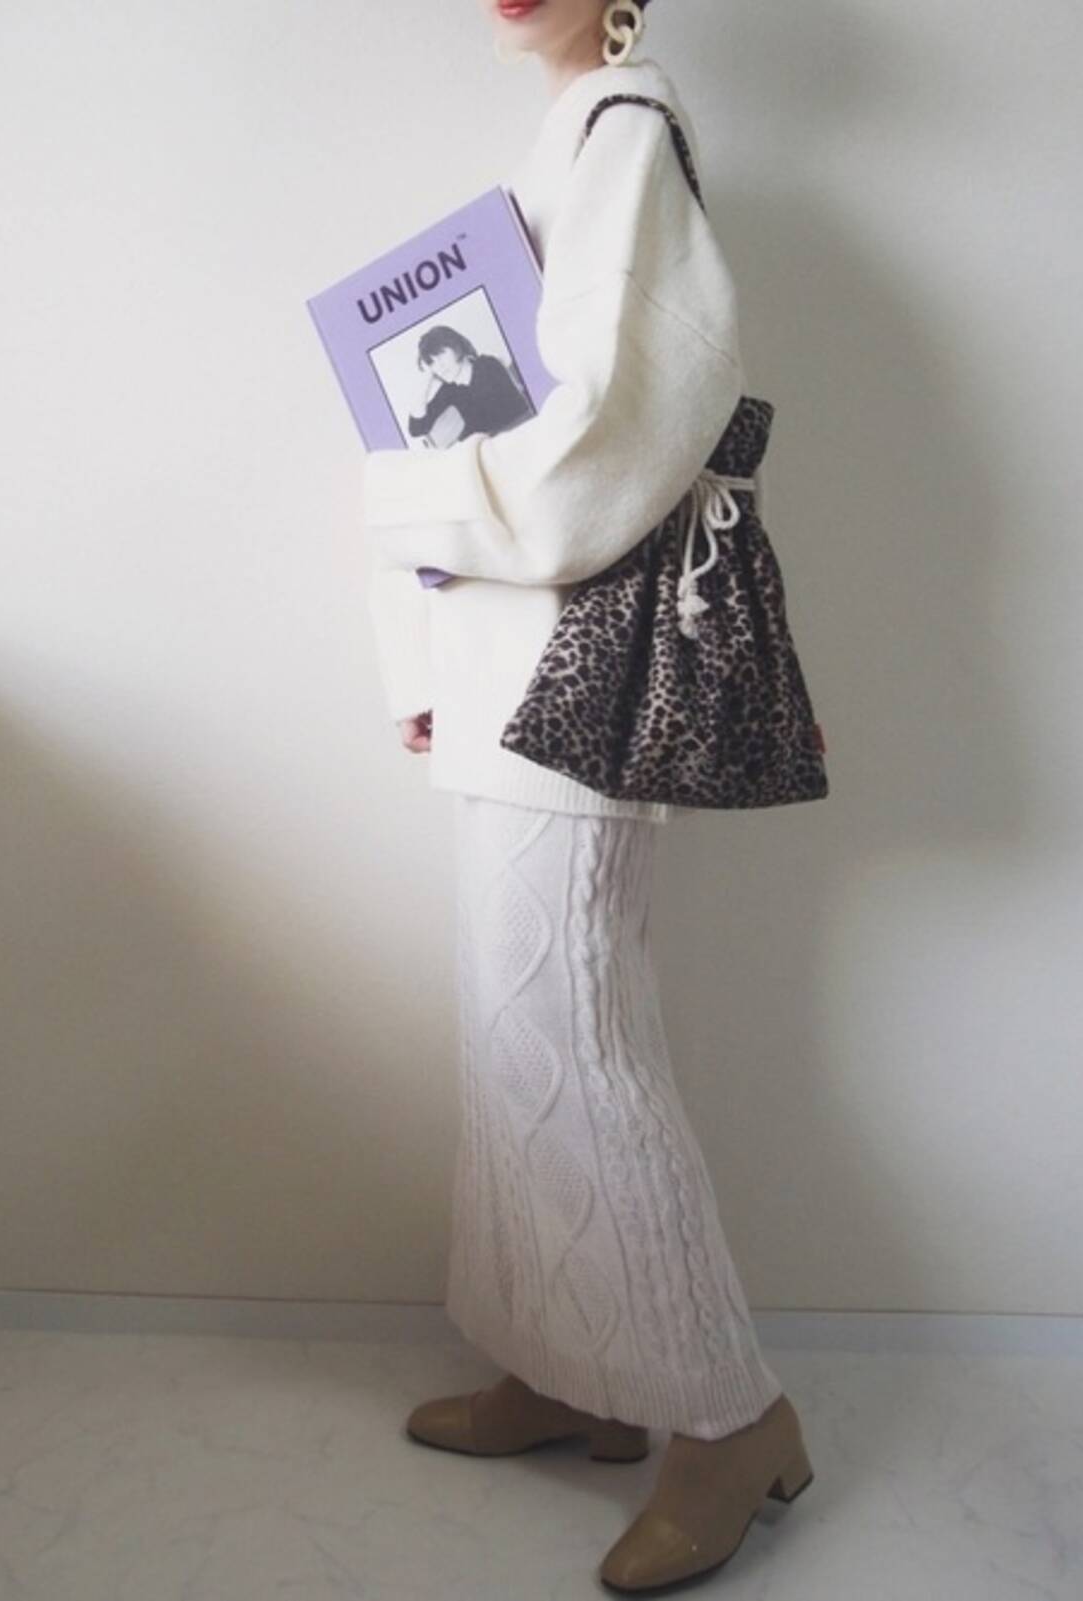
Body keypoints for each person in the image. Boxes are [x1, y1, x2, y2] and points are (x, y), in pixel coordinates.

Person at [361, 2, 815, 1590]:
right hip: (514, 658)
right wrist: (426, 640)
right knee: (516, 1030)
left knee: (574, 1034)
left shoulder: (625, 135)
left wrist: (403, 492)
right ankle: (573, 1368)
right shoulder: (563, 144)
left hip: (577, 670)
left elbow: (619, 427)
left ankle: (731, 1416)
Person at [406, 326, 534, 445]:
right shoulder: (450, 389)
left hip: (518, 436)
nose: (439, 366)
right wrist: (427, 377)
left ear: (456, 346)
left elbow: (499, 419)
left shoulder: (487, 365)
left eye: (441, 354)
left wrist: (466, 440)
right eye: (432, 362)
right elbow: (416, 428)